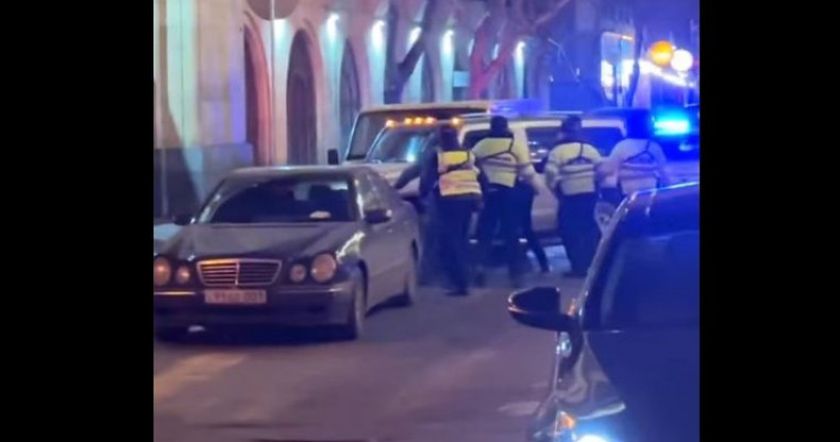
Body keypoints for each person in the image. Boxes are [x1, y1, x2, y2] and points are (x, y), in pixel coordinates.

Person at [472, 115, 539, 287]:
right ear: (505, 128)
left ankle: (479, 269)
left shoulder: (481, 146)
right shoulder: (514, 146)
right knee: (511, 233)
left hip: (488, 193)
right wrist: (537, 188)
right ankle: (515, 274)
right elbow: (527, 172)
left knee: (485, 232)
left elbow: (471, 166)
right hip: (508, 192)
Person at [418, 125, 484, 296]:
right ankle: (466, 279)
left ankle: (460, 283)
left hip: (449, 201)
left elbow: (427, 180)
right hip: (469, 200)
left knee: (451, 242)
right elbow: (482, 177)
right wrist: (482, 197)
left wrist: (423, 195)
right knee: (462, 239)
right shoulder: (468, 154)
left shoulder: (438, 156)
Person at [544, 116, 603, 278]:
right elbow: (601, 171)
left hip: (569, 197)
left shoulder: (558, 152)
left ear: (563, 132)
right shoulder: (590, 150)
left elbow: (550, 175)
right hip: (589, 196)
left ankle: (578, 267)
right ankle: (594, 266)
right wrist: (595, 185)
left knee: (569, 232)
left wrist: (555, 190)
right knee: (590, 231)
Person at [599, 112, 671, 199]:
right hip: (651, 190)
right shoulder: (654, 147)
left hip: (628, 190)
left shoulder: (622, 146)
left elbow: (610, 168)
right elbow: (663, 170)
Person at [514, 176, 550, 273]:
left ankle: (519, 266)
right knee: (526, 230)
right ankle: (543, 263)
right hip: (524, 188)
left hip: (515, 189)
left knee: (516, 230)